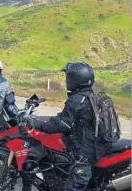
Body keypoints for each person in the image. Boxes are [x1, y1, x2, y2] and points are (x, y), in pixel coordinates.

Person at [24, 62, 108, 191]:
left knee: (73, 187)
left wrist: (36, 123)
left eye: (68, 77)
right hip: (99, 142)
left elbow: (61, 124)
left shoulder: (77, 99)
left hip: (86, 151)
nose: (66, 80)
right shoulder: (94, 95)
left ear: (76, 80)